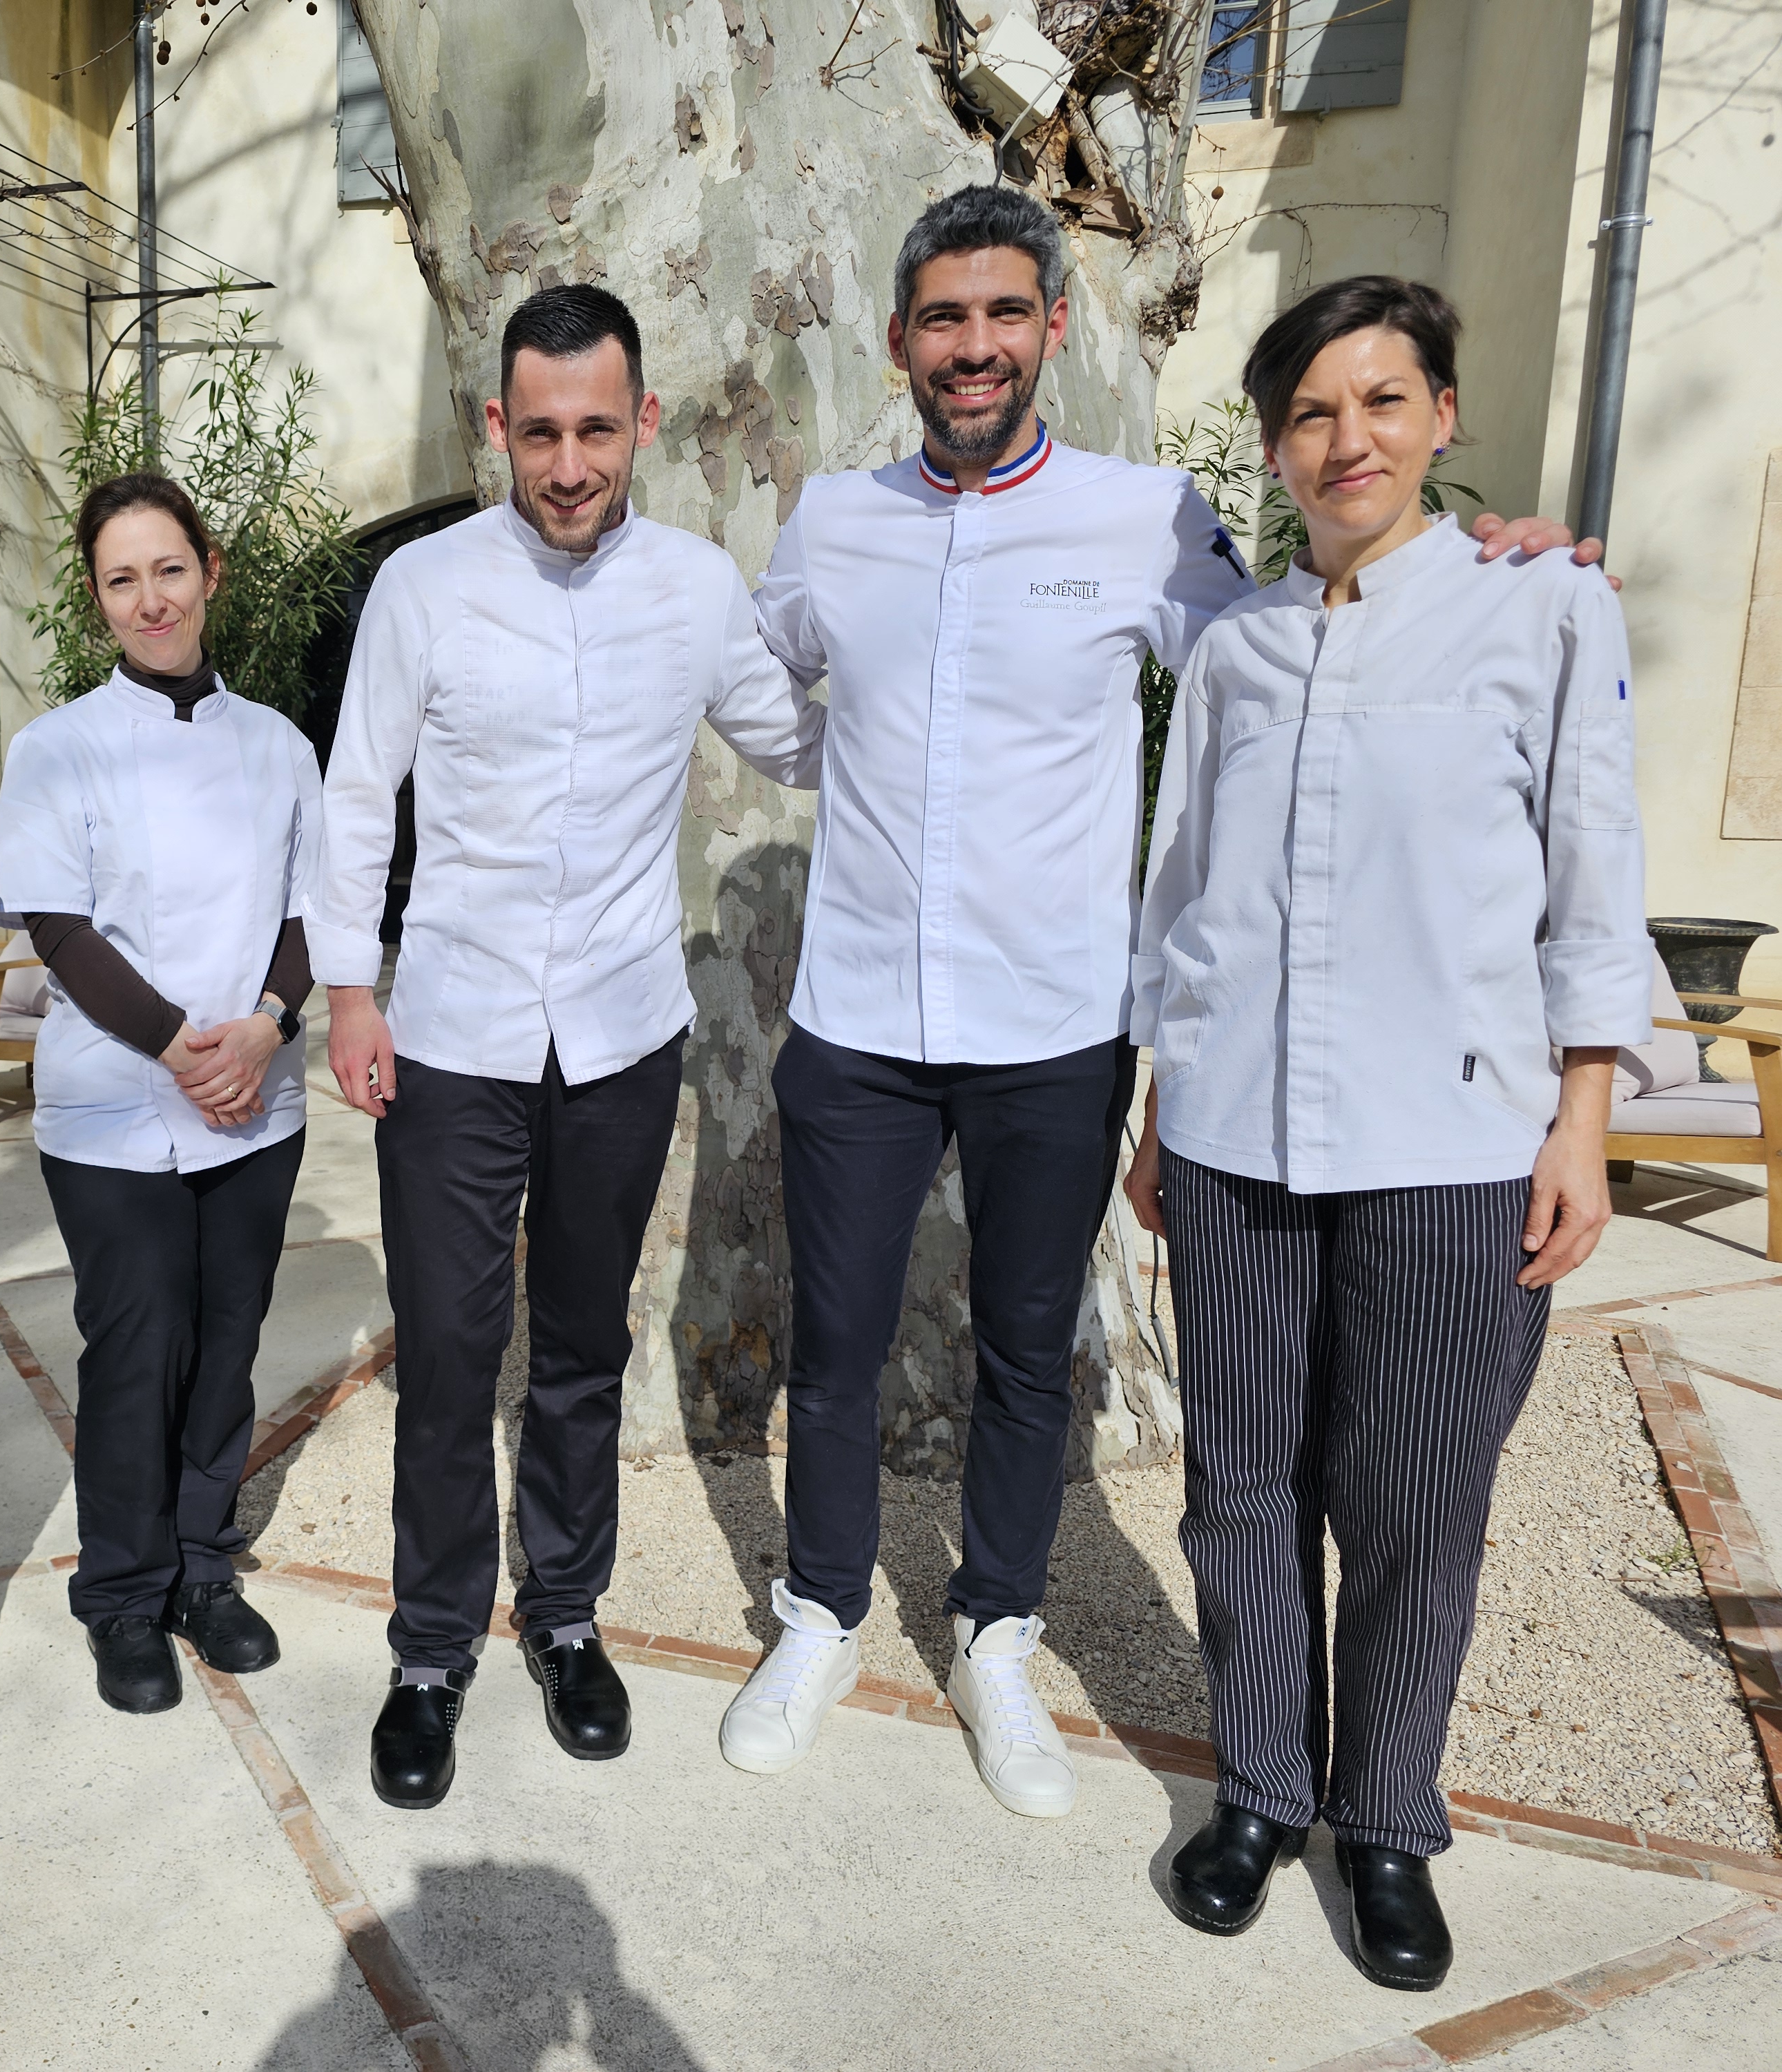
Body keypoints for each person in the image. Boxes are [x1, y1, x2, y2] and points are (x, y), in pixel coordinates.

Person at [717, 186, 1600, 1821]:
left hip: (1055, 1028)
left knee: (1025, 1354)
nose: (971, 345)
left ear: (1051, 328)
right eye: (940, 317)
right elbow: (759, 681)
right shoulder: (832, 522)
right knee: (833, 1345)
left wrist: (1484, 569)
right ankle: (820, 1615)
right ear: (896, 338)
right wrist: (855, 763)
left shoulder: (1143, 519)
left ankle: (993, 1630)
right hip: (856, 1018)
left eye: (1002, 313)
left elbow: (1295, 651)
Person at [1123, 278, 1646, 1991]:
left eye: (1379, 401)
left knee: (1416, 1500)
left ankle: (1386, 1818)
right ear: (1274, 447)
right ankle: (1261, 1791)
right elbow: (1185, 895)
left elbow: (1591, 874)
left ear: (1438, 416)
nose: (1344, 440)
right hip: (1235, 1136)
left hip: (1455, 1135)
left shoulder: (1539, 608)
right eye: (1308, 414)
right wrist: (1162, 1097)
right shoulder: (1236, 649)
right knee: (1239, 1489)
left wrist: (1581, 1120)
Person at [314, 285, 825, 1810]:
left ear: (643, 421)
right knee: (447, 1354)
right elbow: (357, 791)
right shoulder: (421, 585)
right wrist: (348, 995)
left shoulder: (694, 588)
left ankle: (562, 1614)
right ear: (497, 426)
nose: (568, 463)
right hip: (453, 1033)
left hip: (619, 1032)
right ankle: (427, 1652)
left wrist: (921, 645)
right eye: (538, 432)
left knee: (584, 1346)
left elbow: (797, 739)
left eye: (597, 428)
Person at [0, 472, 320, 1714]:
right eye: (121, 579)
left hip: (258, 1097)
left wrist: (266, 1028)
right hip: (118, 1106)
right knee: (138, 1352)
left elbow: (311, 911)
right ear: (98, 599)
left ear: (208, 571)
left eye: (169, 569)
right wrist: (186, 1045)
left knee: (227, 1346)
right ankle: (123, 1597)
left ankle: (201, 1568)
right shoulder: (57, 747)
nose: (150, 599)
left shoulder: (279, 745)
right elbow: (60, 929)